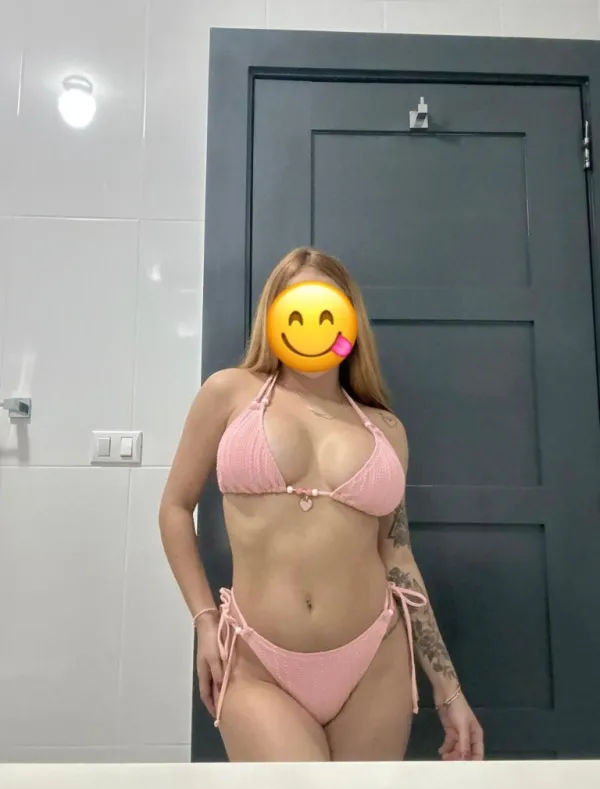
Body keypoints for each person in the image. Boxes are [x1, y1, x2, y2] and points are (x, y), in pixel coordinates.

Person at [159, 247, 484, 762]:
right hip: (256, 660)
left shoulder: (386, 429)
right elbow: (175, 508)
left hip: (374, 660)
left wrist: (450, 691)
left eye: (327, 309)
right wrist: (203, 619)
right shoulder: (229, 393)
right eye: (296, 308)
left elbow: (398, 558)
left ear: (348, 320)